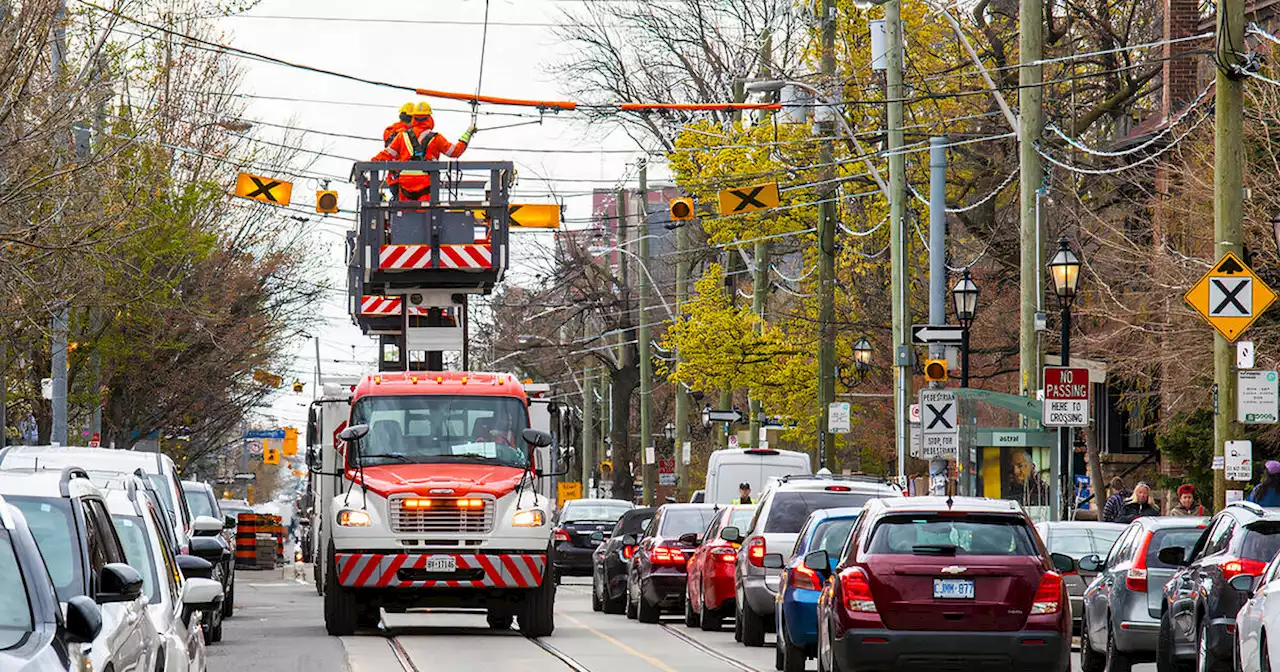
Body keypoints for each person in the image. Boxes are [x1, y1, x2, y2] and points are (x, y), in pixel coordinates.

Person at [373, 102, 476, 201]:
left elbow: (387, 154)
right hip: (427, 184)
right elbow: (455, 152)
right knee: (427, 215)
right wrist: (468, 134)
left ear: (414, 118)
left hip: (405, 185)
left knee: (405, 215)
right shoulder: (436, 138)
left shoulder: (402, 136)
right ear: (429, 118)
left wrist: (371, 162)